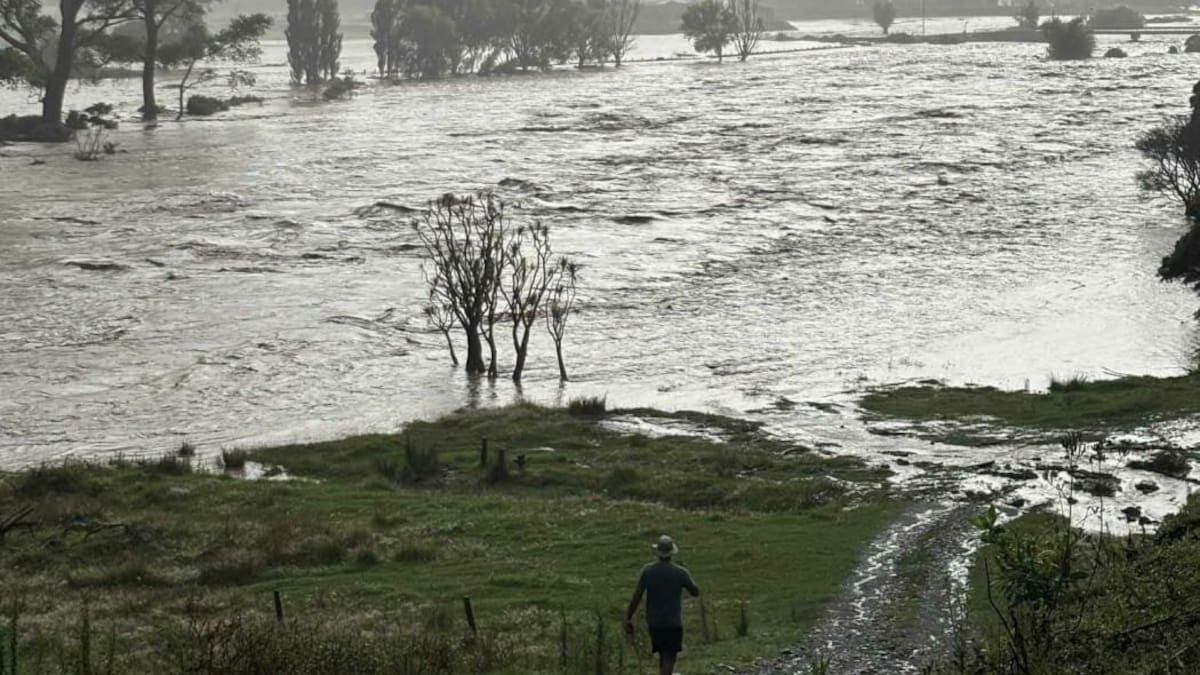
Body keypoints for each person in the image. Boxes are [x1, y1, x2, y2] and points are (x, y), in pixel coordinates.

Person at [624, 535, 700, 675]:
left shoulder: (648, 571)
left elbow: (636, 596)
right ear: (672, 553)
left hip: (654, 623)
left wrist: (628, 617)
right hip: (673, 623)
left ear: (657, 553)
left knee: (663, 655)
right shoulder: (680, 572)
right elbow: (695, 591)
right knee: (669, 657)